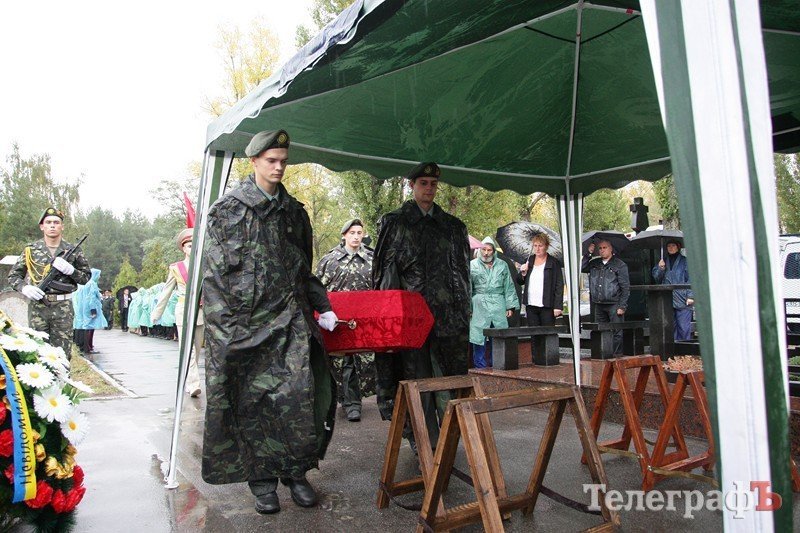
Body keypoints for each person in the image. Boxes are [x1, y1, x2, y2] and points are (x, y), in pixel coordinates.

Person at [202, 129, 338, 515]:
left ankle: (295, 473)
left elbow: (304, 268)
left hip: (291, 323)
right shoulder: (228, 210)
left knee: (296, 398)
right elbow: (214, 280)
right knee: (253, 403)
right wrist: (225, 335)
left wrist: (321, 304)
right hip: (245, 329)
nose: (278, 167)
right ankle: (261, 481)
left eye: (282, 161)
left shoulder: (294, 213)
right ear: (254, 162)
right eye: (270, 161)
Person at [372, 161, 471, 449]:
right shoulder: (396, 224)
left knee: (448, 377)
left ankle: (448, 434)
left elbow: (462, 276)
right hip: (411, 319)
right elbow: (386, 276)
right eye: (423, 183)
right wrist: (391, 319)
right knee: (415, 378)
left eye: (433, 184)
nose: (429, 189)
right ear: (412, 186)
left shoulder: (452, 227)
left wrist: (463, 312)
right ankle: (419, 436)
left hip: (447, 319)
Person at [7, 207, 91, 359]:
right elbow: (13, 276)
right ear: (42, 226)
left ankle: (62, 383)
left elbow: (85, 278)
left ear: (62, 226)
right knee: (37, 352)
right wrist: (24, 288)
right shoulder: (30, 250)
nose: (52, 225)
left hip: (63, 309)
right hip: (38, 307)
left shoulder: (73, 250)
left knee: (63, 355)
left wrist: (71, 271)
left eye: (56, 222)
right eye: (48, 222)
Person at [315, 219, 376, 422]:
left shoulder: (371, 258)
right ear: (344, 235)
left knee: (365, 360)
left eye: (359, 232)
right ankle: (349, 402)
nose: (356, 236)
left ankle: (360, 400)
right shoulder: (330, 260)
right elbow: (317, 289)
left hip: (365, 319)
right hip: (339, 321)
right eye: (352, 233)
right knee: (343, 361)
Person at [151, 228, 205, 397]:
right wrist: (156, 313)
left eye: (193, 245)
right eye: (188, 246)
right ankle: (195, 383)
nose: (191, 248)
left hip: (201, 313)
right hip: (183, 311)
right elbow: (166, 291)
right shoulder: (176, 268)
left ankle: (189, 381)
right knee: (187, 349)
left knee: (196, 349)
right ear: (183, 248)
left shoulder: (203, 265)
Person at [469, 237, 518, 368]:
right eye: (483, 249)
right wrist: (468, 308)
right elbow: (468, 288)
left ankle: (496, 364)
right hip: (479, 303)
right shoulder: (472, 265)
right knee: (479, 336)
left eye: (489, 250)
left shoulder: (502, 265)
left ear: (493, 251)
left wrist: (510, 306)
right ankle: (480, 367)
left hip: (498, 303)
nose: (486, 253)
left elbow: (508, 286)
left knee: (498, 334)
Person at [517, 233, 564, 361]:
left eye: (540, 246)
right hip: (531, 304)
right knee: (534, 335)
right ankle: (536, 360)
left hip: (547, 305)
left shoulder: (553, 262)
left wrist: (558, 306)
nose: (537, 249)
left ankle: (549, 360)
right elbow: (519, 281)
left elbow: (559, 285)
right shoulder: (529, 261)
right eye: (535, 246)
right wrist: (522, 272)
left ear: (546, 246)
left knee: (547, 334)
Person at [581, 239, 630, 355]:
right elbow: (582, 268)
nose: (602, 250)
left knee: (616, 331)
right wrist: (589, 253)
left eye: (605, 248)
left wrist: (622, 306)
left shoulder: (619, 264)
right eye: (600, 248)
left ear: (611, 248)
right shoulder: (594, 263)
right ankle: (602, 355)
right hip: (598, 303)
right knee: (600, 330)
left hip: (614, 303)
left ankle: (616, 355)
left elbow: (625, 287)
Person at [651, 239, 694, 341]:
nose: (670, 248)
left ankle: (684, 353)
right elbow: (657, 278)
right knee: (670, 328)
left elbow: (691, 278)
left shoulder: (685, 261)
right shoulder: (662, 262)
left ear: (678, 247)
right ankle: (673, 353)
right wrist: (660, 268)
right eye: (668, 246)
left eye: (673, 245)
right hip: (667, 298)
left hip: (683, 299)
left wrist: (691, 295)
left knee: (684, 328)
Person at [72, 268, 108, 355]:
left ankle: (86, 347)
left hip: (84, 309)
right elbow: (92, 298)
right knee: (89, 328)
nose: (99, 277)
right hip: (90, 309)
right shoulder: (92, 284)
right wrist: (93, 310)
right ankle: (88, 347)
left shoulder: (86, 284)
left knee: (86, 327)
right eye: (98, 275)